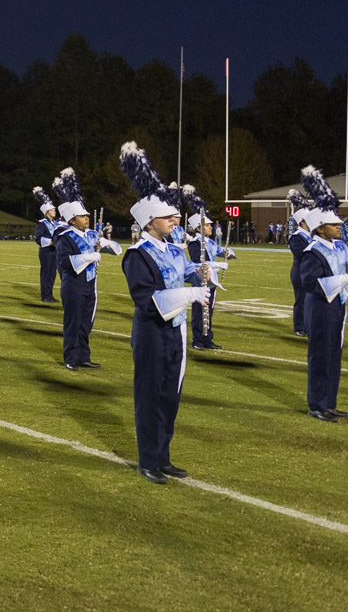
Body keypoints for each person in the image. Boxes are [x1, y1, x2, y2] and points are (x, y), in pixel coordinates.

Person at [119, 142, 214, 485]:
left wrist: (203, 271)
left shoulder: (174, 249)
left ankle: (163, 456)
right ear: (149, 221)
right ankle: (148, 460)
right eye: (168, 216)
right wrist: (190, 292)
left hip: (176, 332)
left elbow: (188, 271)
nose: (176, 219)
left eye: (175, 216)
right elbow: (147, 298)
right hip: (152, 332)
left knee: (170, 397)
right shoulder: (137, 255)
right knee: (150, 395)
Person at [299, 165, 348, 421]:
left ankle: (329, 402)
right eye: (333, 225)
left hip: (337, 306)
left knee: (334, 355)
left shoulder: (337, 247)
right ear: (320, 228)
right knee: (320, 356)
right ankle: (317, 404)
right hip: (321, 306)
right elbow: (310, 282)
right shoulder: (312, 251)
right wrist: (345, 277)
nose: (339, 227)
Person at [52, 168, 122, 371]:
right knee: (73, 322)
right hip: (73, 284)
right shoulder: (65, 238)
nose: (86, 218)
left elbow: (117, 250)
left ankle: (83, 356)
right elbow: (65, 262)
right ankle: (71, 357)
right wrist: (90, 256)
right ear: (72, 220)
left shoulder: (92, 234)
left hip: (91, 284)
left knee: (86, 323)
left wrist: (106, 245)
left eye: (86, 215)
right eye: (82, 216)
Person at [183, 185, 231, 352]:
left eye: (211, 225)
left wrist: (227, 253)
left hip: (211, 281)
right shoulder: (196, 243)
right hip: (200, 280)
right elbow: (197, 263)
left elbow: (218, 251)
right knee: (199, 311)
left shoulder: (209, 242)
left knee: (209, 311)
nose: (211, 227)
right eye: (208, 225)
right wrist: (217, 264)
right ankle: (197, 339)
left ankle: (207, 338)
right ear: (198, 228)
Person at [287, 190, 313, 337]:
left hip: (309, 271)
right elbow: (301, 254)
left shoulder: (311, 235)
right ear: (302, 222)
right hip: (300, 272)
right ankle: (299, 327)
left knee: (310, 301)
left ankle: (309, 326)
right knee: (301, 300)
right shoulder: (296, 237)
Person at [33, 187, 61, 303]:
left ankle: (50, 294)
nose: (54, 210)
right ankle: (45, 295)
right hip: (46, 251)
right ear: (46, 212)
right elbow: (38, 239)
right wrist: (51, 242)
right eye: (52, 209)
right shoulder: (42, 224)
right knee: (46, 273)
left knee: (52, 274)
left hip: (55, 251)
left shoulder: (56, 223)